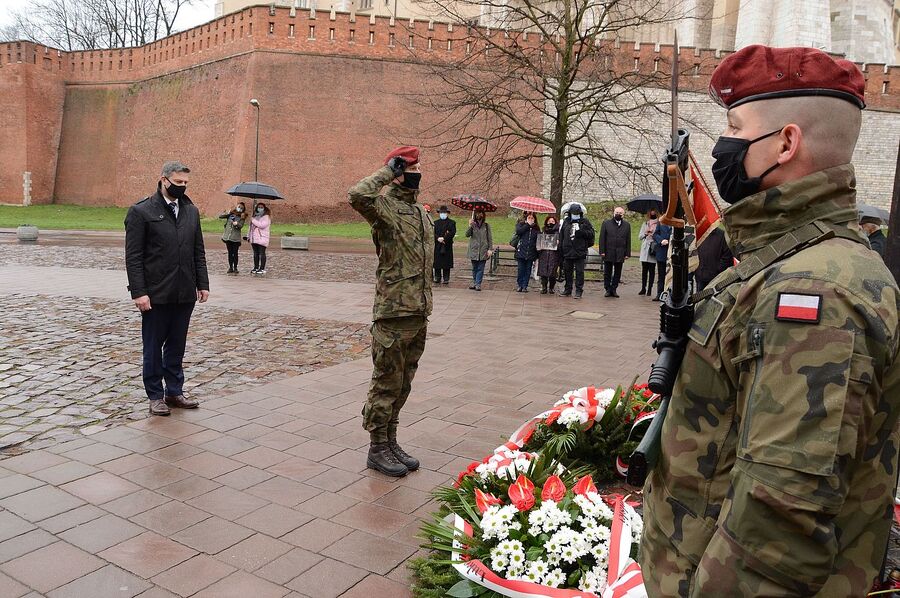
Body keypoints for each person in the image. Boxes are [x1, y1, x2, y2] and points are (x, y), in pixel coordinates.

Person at [640, 45, 900, 597]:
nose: (724, 145)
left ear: (786, 143)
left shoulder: (815, 291)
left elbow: (778, 526)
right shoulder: (790, 259)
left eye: (736, 128)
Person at [348, 146, 433, 477]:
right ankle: (377, 447)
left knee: (403, 383)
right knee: (386, 382)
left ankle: (391, 440)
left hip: (418, 311)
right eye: (411, 168)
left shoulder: (422, 213)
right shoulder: (383, 208)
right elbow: (357, 195)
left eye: (419, 167)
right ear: (398, 172)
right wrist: (387, 172)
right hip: (392, 313)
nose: (417, 173)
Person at [124, 161, 208, 416]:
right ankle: (155, 395)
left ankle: (174, 390)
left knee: (176, 345)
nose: (182, 186)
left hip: (184, 291)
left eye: (186, 183)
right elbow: (134, 257)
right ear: (164, 180)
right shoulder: (141, 211)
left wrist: (202, 284)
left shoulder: (190, 211)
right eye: (178, 182)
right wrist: (139, 292)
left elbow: (198, 250)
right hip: (156, 293)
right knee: (153, 346)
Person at [558, 204, 595, 299]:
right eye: (574, 213)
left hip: (580, 251)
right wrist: (561, 248)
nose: (575, 215)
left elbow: (591, 234)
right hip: (568, 251)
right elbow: (562, 236)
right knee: (567, 271)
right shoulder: (566, 222)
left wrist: (581, 232)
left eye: (577, 213)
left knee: (579, 272)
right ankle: (568, 289)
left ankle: (579, 291)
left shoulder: (585, 222)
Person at [598, 206, 631, 297]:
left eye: (620, 213)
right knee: (607, 272)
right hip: (608, 251)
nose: (618, 214)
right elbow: (602, 238)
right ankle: (607, 289)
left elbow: (628, 240)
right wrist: (602, 251)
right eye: (617, 213)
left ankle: (614, 289)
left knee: (617, 272)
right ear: (613, 213)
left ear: (623, 215)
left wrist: (627, 253)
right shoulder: (606, 223)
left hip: (620, 252)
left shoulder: (627, 225)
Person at [694, 226, 734, 291]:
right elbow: (694, 252)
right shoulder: (699, 233)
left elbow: (727, 257)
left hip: (716, 279)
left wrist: (717, 270)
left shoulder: (722, 235)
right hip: (700, 277)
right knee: (700, 296)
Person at [466, 209, 493, 291]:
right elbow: (467, 234)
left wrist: (490, 249)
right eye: (477, 213)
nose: (479, 215)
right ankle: (474, 282)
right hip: (474, 250)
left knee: (480, 268)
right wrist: (470, 226)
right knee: (474, 268)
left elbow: (489, 238)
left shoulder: (486, 226)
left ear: (483, 215)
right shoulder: (472, 225)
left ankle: (478, 284)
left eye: (480, 213)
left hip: (483, 250)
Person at [514, 212, 540, 292]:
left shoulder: (536, 228)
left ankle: (525, 285)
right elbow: (518, 231)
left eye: (532, 218)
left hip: (531, 252)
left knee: (528, 270)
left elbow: (538, 239)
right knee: (521, 269)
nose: (530, 219)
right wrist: (527, 225)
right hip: (521, 251)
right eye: (529, 218)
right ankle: (520, 285)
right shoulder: (521, 225)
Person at [219, 201, 246, 274]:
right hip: (228, 237)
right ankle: (230, 267)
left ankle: (235, 267)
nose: (239, 208)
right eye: (239, 207)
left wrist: (236, 224)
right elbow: (220, 216)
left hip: (236, 238)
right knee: (230, 253)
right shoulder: (230, 214)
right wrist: (228, 213)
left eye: (241, 208)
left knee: (235, 253)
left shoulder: (242, 217)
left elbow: (241, 226)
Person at [433, 205, 456, 284]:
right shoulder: (435, 223)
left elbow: (452, 232)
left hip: (447, 245)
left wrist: (444, 239)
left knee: (446, 262)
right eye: (441, 212)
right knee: (437, 262)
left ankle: (446, 278)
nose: (443, 214)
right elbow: (432, 232)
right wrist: (437, 238)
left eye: (444, 212)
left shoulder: (452, 223)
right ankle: (437, 277)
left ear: (447, 213)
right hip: (437, 245)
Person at [537, 215, 561, 294]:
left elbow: (561, 244)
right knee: (543, 272)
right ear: (546, 222)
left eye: (552, 221)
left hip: (554, 254)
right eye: (549, 221)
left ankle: (551, 287)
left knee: (552, 272)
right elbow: (539, 242)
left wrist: (558, 243)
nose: (551, 223)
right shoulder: (543, 231)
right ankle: (544, 287)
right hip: (544, 254)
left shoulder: (558, 232)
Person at [638, 210, 659, 295]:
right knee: (644, 270)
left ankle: (650, 289)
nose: (652, 213)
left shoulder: (659, 224)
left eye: (654, 212)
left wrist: (653, 235)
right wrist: (646, 234)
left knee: (651, 270)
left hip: (653, 248)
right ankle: (643, 288)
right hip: (645, 249)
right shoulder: (645, 224)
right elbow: (640, 237)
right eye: (651, 212)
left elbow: (659, 235)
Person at [248, 202, 271, 275]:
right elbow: (250, 228)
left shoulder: (266, 217)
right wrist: (248, 236)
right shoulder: (255, 216)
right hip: (254, 238)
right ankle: (256, 267)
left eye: (261, 207)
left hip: (262, 238)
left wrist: (253, 220)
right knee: (256, 253)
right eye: (259, 207)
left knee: (262, 253)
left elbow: (261, 225)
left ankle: (262, 268)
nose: (260, 208)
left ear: (264, 208)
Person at [651, 222, 671, 300]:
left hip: (672, 253)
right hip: (662, 252)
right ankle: (660, 294)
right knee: (661, 275)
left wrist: (670, 241)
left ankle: (669, 294)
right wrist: (661, 240)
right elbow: (655, 234)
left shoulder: (678, 222)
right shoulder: (661, 222)